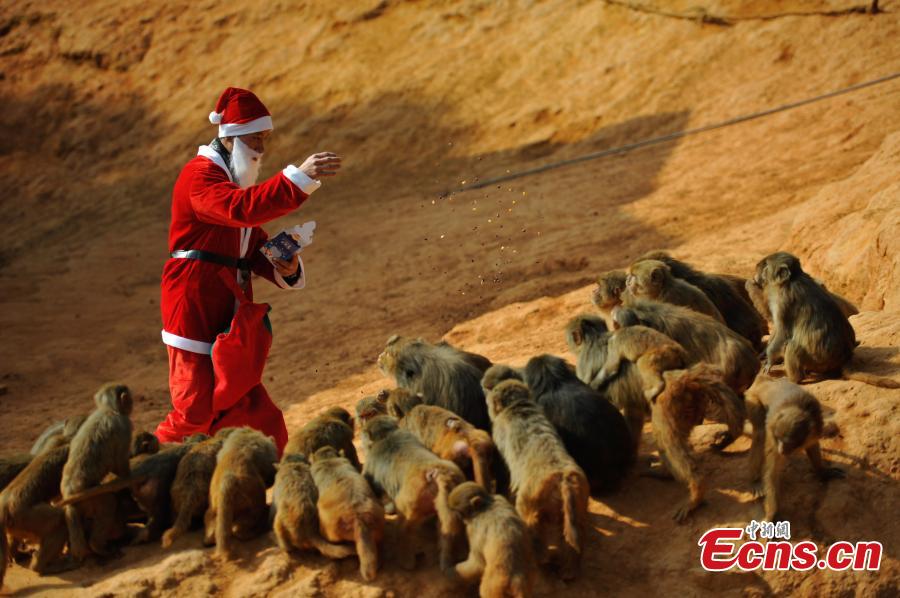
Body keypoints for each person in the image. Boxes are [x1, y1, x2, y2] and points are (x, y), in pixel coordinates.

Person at [156, 87, 341, 452]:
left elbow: (250, 240)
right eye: (255, 138)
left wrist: (283, 266)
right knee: (194, 405)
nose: (262, 148)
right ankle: (145, 470)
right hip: (193, 300)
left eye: (264, 138)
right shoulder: (200, 176)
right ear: (230, 138)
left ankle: (270, 461)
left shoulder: (229, 180)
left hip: (228, 297)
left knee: (241, 393)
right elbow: (240, 210)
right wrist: (299, 178)